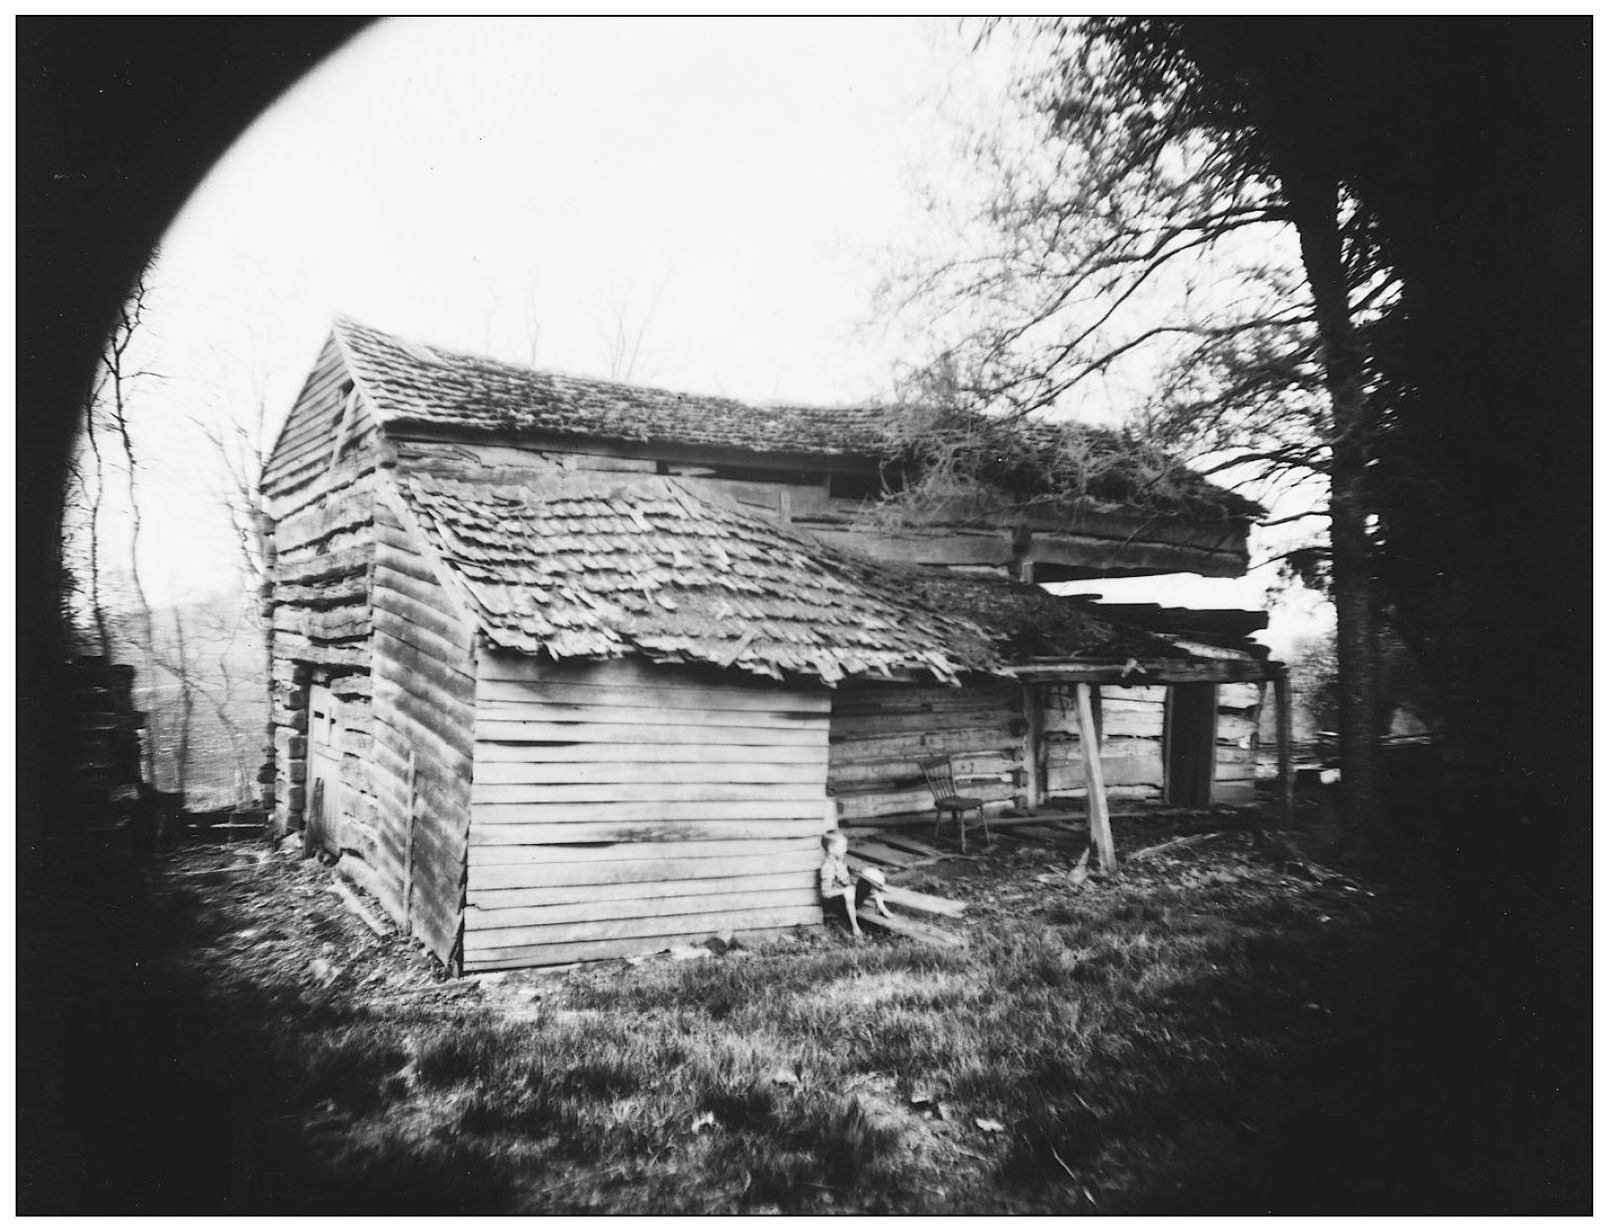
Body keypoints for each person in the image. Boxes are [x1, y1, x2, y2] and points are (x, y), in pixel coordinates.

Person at [819, 830, 893, 937]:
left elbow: (846, 877)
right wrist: (845, 890)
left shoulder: (838, 860)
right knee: (849, 892)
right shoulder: (828, 867)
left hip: (851, 897)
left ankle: (881, 907)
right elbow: (825, 893)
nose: (846, 849)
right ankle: (855, 927)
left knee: (870, 875)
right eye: (843, 847)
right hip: (838, 904)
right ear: (831, 849)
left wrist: (863, 877)